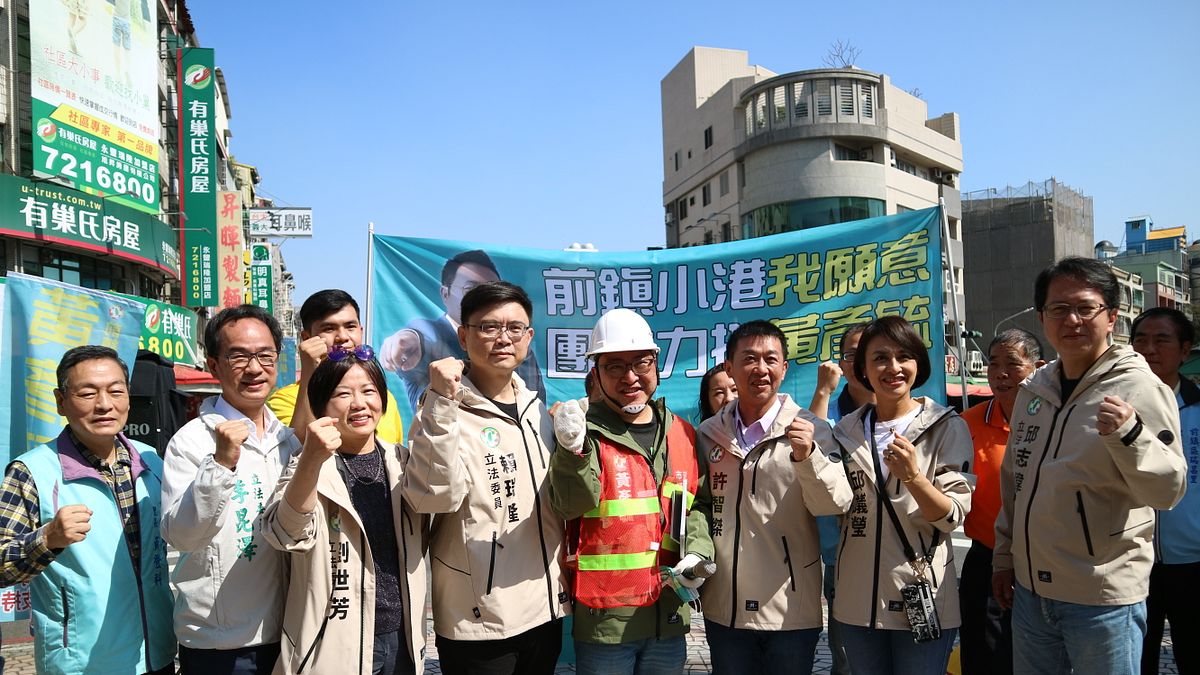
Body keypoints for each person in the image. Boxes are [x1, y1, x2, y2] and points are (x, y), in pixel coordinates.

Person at [992, 257, 1186, 675]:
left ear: (1112, 316)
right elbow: (1016, 483)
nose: (1072, 320)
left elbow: (1168, 490)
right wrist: (1005, 557)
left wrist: (1130, 436)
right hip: (1030, 592)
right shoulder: (1034, 389)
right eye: (1059, 309)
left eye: (1086, 308)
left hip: (1102, 597)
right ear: (1043, 318)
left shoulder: (1140, 387)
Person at [405, 281, 569, 674]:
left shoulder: (537, 410)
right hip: (479, 619)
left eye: (515, 328)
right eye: (488, 327)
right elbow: (431, 498)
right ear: (463, 336)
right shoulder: (441, 409)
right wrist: (441, 403)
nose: (503, 338)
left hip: (544, 609)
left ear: (529, 337)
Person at [548, 308, 714, 675]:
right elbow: (570, 504)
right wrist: (573, 451)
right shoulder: (582, 431)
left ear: (655, 363)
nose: (630, 377)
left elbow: (698, 503)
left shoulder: (682, 433)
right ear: (596, 373)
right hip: (606, 621)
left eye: (641, 363)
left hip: (669, 613)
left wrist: (698, 551)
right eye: (614, 367)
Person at [0, 346, 175, 674]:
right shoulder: (32, 472)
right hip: (82, 663)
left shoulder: (150, 460)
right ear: (60, 401)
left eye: (116, 390)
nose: (104, 404)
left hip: (158, 652)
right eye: (87, 393)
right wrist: (48, 537)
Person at [696, 320, 852, 675]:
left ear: (784, 367)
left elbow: (836, 502)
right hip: (725, 608)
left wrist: (807, 456)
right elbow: (698, 509)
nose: (760, 369)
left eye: (771, 359)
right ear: (729, 367)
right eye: (749, 359)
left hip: (789, 611)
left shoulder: (811, 428)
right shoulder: (708, 434)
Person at [264, 347, 428, 674]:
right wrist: (311, 460)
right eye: (343, 394)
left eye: (369, 391)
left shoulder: (403, 462)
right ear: (322, 405)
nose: (359, 403)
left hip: (403, 641)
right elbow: (285, 534)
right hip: (333, 645)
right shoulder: (307, 465)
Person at [161, 305, 301, 674]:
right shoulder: (190, 442)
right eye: (238, 356)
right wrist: (220, 464)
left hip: (290, 633)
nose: (254, 368)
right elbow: (181, 536)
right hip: (222, 644)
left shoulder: (287, 440)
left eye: (264, 355)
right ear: (213, 365)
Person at [830, 316, 974, 674]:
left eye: (903, 356)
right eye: (879, 358)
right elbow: (832, 504)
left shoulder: (946, 426)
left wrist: (914, 478)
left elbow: (952, 514)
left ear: (918, 364)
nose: (892, 367)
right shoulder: (846, 431)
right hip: (856, 601)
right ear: (862, 368)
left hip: (921, 593)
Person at [958, 329, 1044, 675]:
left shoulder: (1052, 419)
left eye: (1013, 364)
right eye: (994, 364)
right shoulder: (968, 423)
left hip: (1041, 562)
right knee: (982, 653)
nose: (1001, 374)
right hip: (986, 558)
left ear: (1038, 367)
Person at [380, 250, 544, 412]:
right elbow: (421, 337)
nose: (484, 298)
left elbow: (536, 406)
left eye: (492, 290)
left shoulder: (519, 347)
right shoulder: (429, 336)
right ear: (445, 293)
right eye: (472, 288)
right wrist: (409, 339)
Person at [1130, 308, 1200, 675]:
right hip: (1131, 561)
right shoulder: (1114, 408)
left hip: (1193, 564)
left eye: (1162, 340)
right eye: (1140, 340)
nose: (1149, 349)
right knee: (1134, 661)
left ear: (1185, 351)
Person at [808, 324, 874, 675]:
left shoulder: (907, 414)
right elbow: (808, 453)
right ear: (842, 363)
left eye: (870, 352)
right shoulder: (828, 411)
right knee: (847, 658)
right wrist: (822, 390)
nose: (862, 362)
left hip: (898, 556)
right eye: (852, 354)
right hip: (842, 556)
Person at [267, 289, 404, 444]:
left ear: (361, 331)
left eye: (350, 326)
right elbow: (298, 451)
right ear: (306, 338)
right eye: (329, 329)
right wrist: (309, 371)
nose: (343, 337)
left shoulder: (383, 396)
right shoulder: (285, 400)